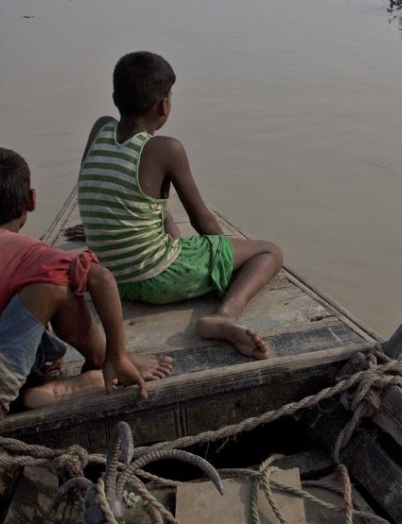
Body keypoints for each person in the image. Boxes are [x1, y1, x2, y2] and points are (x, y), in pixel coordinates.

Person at [0, 147, 173, 438]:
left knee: (22, 286)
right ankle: (105, 361)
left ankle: (31, 388)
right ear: (31, 199)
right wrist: (119, 353)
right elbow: (101, 278)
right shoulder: (24, 251)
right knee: (56, 283)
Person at [71, 51, 281, 360]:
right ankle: (226, 315)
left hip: (111, 279)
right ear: (163, 105)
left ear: (116, 97)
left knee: (164, 213)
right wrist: (222, 260)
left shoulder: (100, 128)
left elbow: (105, 188)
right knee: (269, 251)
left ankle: (180, 261)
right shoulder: (165, 148)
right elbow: (202, 220)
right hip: (153, 279)